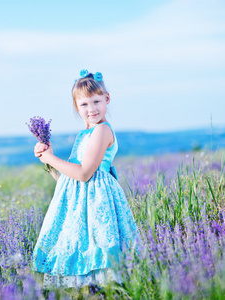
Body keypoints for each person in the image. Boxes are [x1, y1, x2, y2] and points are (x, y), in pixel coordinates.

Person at [31, 69, 143, 291]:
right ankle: (84, 294)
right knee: (79, 255)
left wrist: (51, 158)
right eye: (84, 104)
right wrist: (48, 159)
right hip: (78, 207)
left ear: (107, 99)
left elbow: (84, 173)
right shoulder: (84, 134)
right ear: (76, 107)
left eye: (96, 101)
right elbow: (68, 180)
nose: (91, 109)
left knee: (98, 252)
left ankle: (103, 294)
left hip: (97, 205)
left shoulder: (102, 131)